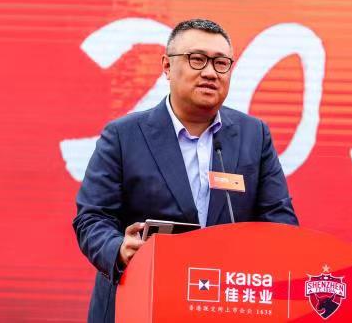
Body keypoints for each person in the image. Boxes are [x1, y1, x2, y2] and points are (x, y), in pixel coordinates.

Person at [73, 18, 299, 322]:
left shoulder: (253, 135)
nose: (210, 72)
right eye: (197, 59)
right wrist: (118, 249)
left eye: (221, 63)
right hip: (139, 302)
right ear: (167, 66)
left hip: (222, 307)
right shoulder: (124, 136)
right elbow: (92, 218)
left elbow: (280, 221)